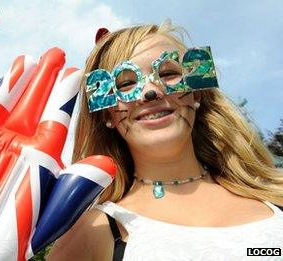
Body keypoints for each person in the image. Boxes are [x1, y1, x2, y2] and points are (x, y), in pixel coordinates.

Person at [48, 21, 283, 260]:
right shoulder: (93, 230)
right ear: (107, 113)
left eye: (168, 74)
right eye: (126, 83)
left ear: (196, 93)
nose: (151, 92)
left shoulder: (276, 199)